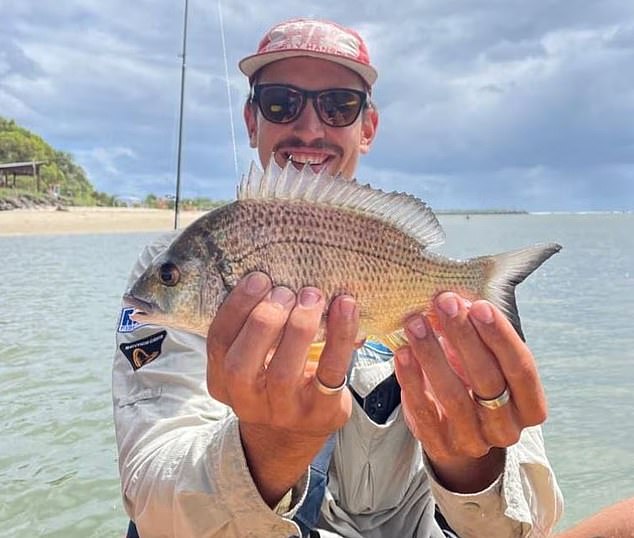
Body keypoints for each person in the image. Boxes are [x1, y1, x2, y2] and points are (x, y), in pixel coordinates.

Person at [113, 18, 565, 537]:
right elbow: (150, 495)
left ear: (366, 126)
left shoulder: (449, 307)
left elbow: (528, 524)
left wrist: (474, 467)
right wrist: (265, 449)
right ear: (251, 119)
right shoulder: (176, 260)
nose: (309, 127)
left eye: (338, 105)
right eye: (281, 102)